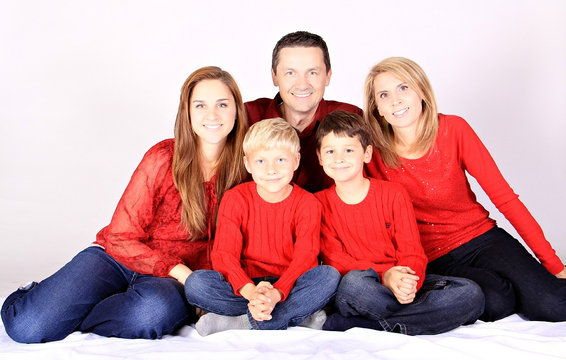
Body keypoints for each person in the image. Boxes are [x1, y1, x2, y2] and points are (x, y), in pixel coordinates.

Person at [1, 66, 249, 343]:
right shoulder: (163, 157)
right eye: (200, 105)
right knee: (28, 327)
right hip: (118, 259)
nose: (212, 115)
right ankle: (36, 295)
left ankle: (73, 313)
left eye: (222, 104)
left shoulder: (248, 168)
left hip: (166, 284)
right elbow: (121, 237)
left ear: (236, 110)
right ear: (187, 112)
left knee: (152, 313)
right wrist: (182, 273)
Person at [364, 56, 566, 322]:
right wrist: (387, 271)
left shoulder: (453, 129)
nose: (396, 100)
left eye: (404, 88)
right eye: (384, 95)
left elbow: (505, 199)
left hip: (481, 238)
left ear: (422, 91)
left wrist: (555, 265)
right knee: (496, 303)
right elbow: (365, 218)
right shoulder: (371, 154)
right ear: (377, 108)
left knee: (553, 305)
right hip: (430, 257)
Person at [314, 110, 484, 335]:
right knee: (353, 285)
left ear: (366, 154)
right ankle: (423, 318)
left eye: (348, 150)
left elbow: (412, 250)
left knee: (470, 293)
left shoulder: (393, 194)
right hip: (365, 287)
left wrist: (407, 281)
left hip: (401, 281)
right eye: (330, 151)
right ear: (319, 157)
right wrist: (386, 277)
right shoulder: (318, 203)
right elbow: (337, 261)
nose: (339, 158)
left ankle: (372, 324)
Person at [184, 118, 340, 336]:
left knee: (329, 276)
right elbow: (224, 255)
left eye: (280, 160)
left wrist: (276, 293)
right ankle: (294, 316)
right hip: (244, 285)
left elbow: (305, 257)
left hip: (289, 284)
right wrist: (251, 292)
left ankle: (243, 322)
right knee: (196, 284)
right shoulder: (235, 198)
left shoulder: (308, 203)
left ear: (296, 161)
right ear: (247, 164)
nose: (271, 170)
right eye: (260, 162)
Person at [245, 31, 363, 193]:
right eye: (290, 73)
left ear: (328, 76)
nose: (302, 85)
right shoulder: (248, 117)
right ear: (275, 77)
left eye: (312, 73)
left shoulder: (352, 117)